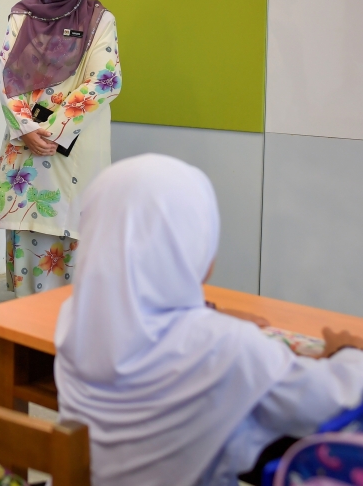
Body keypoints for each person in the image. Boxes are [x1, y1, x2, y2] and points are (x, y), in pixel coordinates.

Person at [54, 154, 363, 486]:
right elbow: (331, 399)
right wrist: (348, 353)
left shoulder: (74, 317)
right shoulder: (226, 346)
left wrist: (208, 317)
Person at [0, 0, 121, 297]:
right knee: (29, 229)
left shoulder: (98, 19)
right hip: (26, 148)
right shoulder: (21, 15)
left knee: (72, 234)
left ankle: (71, 333)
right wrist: (27, 128)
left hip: (74, 148)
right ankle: (28, 325)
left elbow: (106, 81)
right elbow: (6, 76)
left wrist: (56, 130)